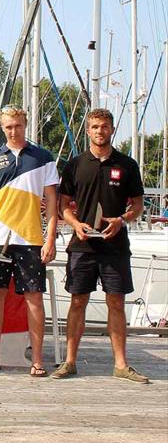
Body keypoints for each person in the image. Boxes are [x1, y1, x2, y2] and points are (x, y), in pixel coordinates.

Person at [54, 108, 149, 384]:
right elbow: (62, 206)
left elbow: (138, 205)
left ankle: (121, 364)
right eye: (95, 127)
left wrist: (121, 219)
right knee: (77, 301)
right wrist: (75, 224)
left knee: (116, 302)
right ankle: (69, 362)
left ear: (112, 129)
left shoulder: (127, 165)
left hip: (115, 245)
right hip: (82, 245)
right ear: (88, 130)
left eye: (104, 126)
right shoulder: (74, 165)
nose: (99, 131)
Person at [0, 105, 58, 377]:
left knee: (34, 299)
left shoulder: (43, 157)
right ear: (2, 127)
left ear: (26, 124)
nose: (13, 131)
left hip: (31, 239)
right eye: (8, 127)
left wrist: (50, 239)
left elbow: (53, 205)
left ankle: (37, 360)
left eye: (18, 126)